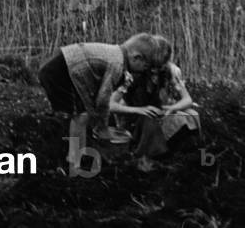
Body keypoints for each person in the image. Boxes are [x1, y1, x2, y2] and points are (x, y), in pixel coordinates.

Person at [37, 33, 171, 169]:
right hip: (59, 70)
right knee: (79, 117)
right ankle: (72, 161)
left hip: (66, 67)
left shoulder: (117, 55)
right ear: (137, 57)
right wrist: (103, 128)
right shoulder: (117, 65)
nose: (145, 70)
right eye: (146, 66)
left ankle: (78, 156)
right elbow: (103, 99)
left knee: (82, 116)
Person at [110, 59, 200, 171]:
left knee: (191, 115)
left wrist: (172, 108)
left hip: (159, 116)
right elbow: (111, 106)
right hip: (134, 120)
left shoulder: (170, 71)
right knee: (148, 120)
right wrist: (139, 110)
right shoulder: (132, 74)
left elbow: (187, 100)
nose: (155, 75)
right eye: (152, 72)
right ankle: (145, 158)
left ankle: (172, 153)